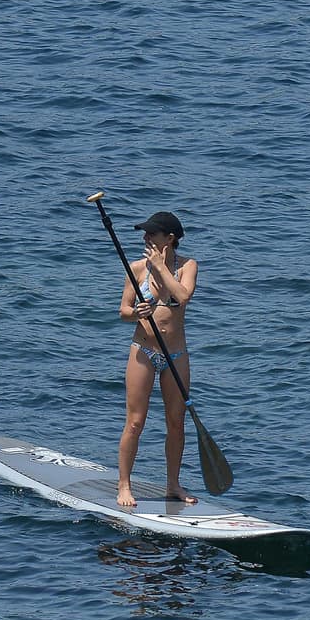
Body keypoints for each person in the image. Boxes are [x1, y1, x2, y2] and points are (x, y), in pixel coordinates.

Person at [116, 211, 198, 508]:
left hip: (176, 355)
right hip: (144, 352)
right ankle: (124, 485)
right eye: (145, 233)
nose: (145, 237)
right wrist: (134, 313)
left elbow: (182, 297)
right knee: (135, 422)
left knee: (176, 423)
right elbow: (123, 311)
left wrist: (161, 268)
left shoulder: (187, 266)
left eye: (152, 233)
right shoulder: (137, 269)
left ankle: (173, 484)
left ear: (170, 238)